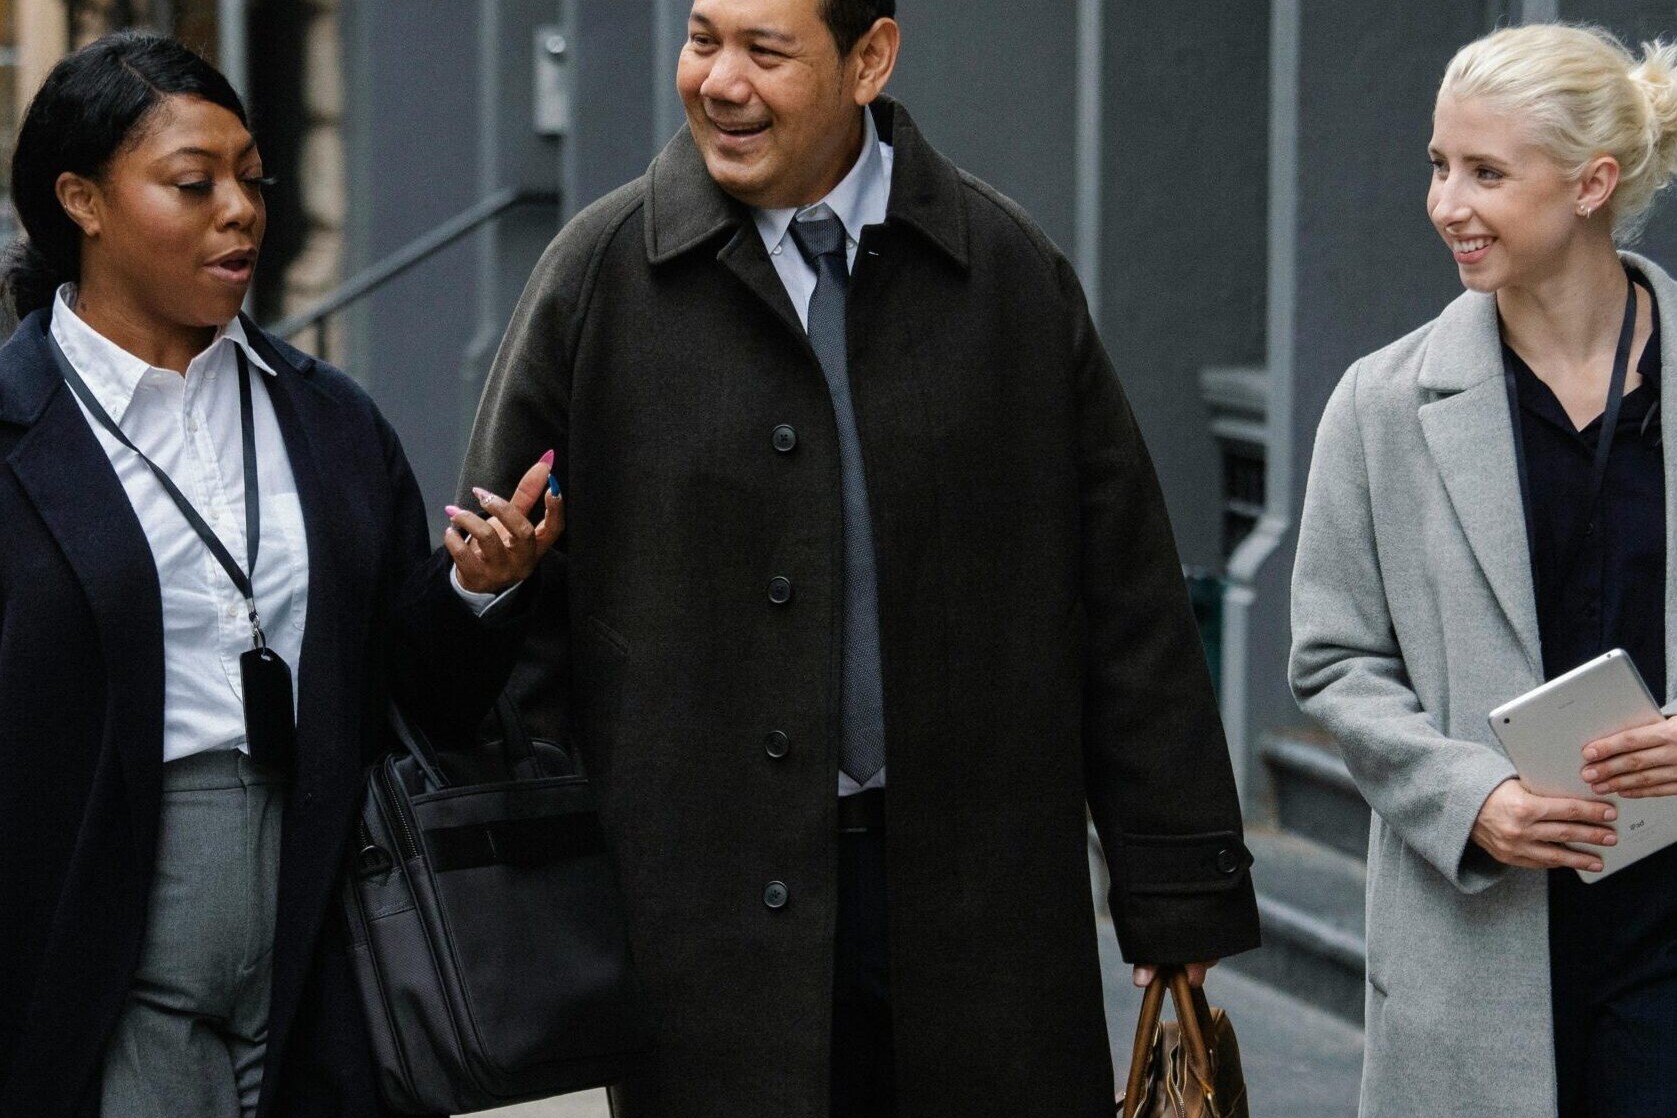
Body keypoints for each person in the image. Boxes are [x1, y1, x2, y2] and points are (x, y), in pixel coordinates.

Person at [459, 0, 1259, 1114]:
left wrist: (1176, 882)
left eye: (765, 51)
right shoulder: (598, 276)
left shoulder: (1006, 273)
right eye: (702, 39)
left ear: (870, 59)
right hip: (700, 929)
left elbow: (1124, 594)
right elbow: (500, 606)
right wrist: (539, 888)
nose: (719, 81)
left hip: (980, 915)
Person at [0, 32, 560, 1118]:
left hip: (322, 935)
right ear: (82, 201)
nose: (241, 212)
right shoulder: (17, 429)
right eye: (193, 184)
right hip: (87, 950)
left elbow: (412, 692)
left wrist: (476, 589)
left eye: (253, 180)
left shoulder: (329, 419)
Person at [1291, 22, 1677, 1118]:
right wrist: (1471, 801)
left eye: (1486, 173)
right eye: (1438, 165)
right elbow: (1333, 661)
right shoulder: (1380, 402)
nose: (1445, 203)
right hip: (1482, 933)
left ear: (1592, 184)